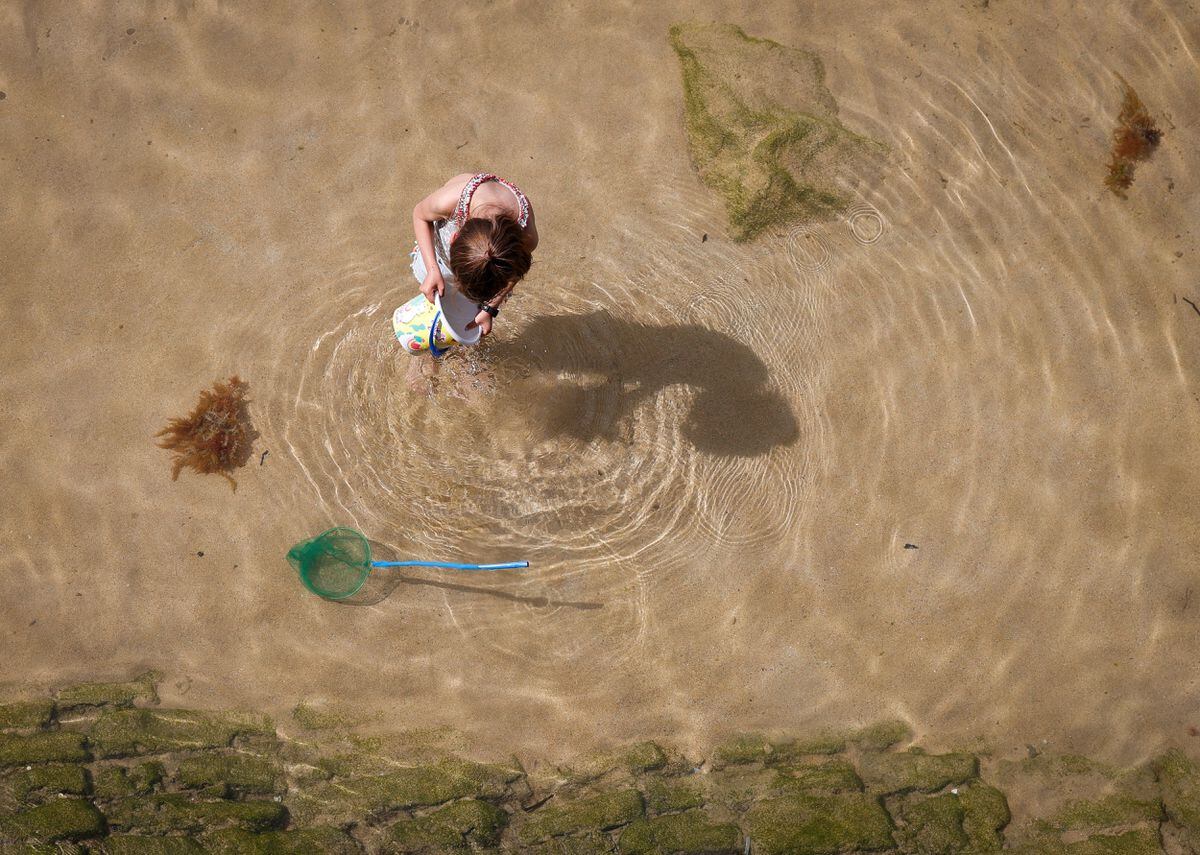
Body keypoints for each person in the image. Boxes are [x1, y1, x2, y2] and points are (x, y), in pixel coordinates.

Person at [410, 172, 539, 338]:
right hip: (438, 260)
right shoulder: (449, 200)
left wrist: (490, 307)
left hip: (486, 271)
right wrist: (432, 269)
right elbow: (420, 215)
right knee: (432, 298)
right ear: (454, 236)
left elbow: (515, 271)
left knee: (470, 316)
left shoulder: (526, 238)